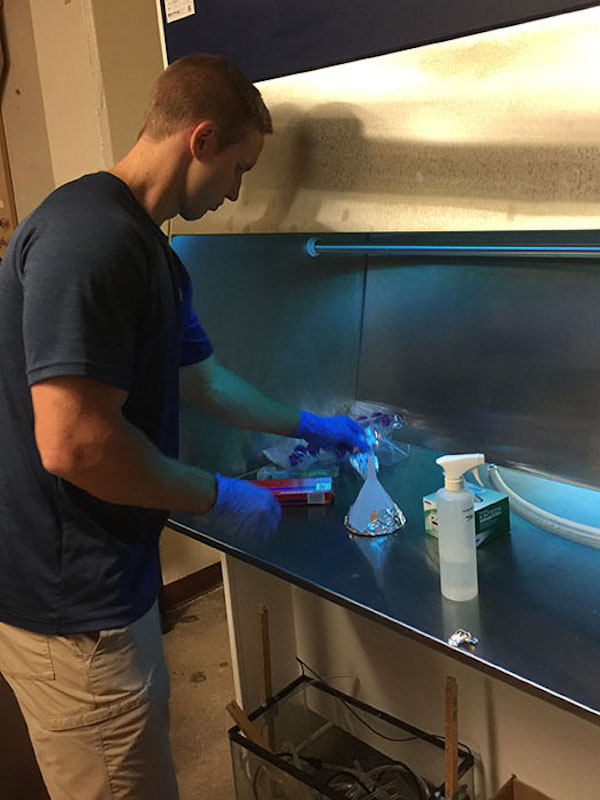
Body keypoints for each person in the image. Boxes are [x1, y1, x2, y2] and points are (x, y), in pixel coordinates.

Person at [0, 53, 366, 799]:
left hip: (111, 580)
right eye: (239, 168)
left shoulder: (147, 252)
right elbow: (74, 443)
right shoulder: (91, 240)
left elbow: (205, 380)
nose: (237, 192)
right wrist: (218, 495)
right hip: (74, 607)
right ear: (200, 141)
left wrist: (311, 423)